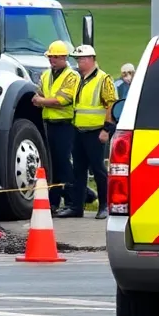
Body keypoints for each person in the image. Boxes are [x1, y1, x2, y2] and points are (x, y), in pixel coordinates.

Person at [61, 45, 117, 220]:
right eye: (77, 59)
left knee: (99, 170)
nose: (79, 62)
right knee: (78, 170)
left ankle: (104, 206)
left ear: (92, 59)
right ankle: (77, 207)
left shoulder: (103, 79)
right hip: (79, 130)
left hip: (95, 132)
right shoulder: (79, 79)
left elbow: (111, 104)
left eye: (82, 59)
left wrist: (106, 129)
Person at [30, 40, 79, 211]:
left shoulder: (72, 77)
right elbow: (39, 95)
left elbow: (63, 101)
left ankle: (72, 202)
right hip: (49, 124)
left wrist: (42, 101)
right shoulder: (45, 75)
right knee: (53, 165)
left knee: (64, 164)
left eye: (55, 57)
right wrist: (42, 100)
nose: (52, 60)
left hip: (65, 125)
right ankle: (54, 202)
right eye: (50, 57)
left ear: (64, 57)